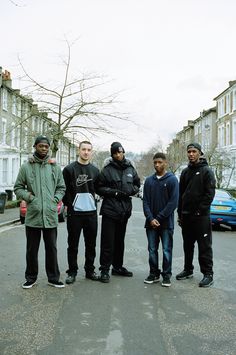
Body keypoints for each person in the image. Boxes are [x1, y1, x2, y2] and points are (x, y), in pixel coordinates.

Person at [14, 135, 66, 289]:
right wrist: (29, 197)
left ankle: (53, 278)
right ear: (35, 146)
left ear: (49, 148)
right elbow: (18, 187)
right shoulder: (26, 167)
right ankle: (31, 278)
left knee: (52, 248)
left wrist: (55, 199)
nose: (44, 148)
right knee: (31, 249)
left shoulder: (55, 167)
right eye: (41, 146)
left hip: (50, 214)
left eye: (46, 146)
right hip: (33, 215)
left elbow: (61, 187)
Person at [97, 142, 140, 283]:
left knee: (119, 241)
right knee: (107, 242)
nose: (118, 155)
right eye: (115, 153)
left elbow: (137, 184)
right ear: (112, 154)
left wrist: (132, 190)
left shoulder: (130, 168)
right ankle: (104, 269)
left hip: (124, 211)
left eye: (120, 152)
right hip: (110, 210)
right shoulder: (107, 170)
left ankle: (117, 267)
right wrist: (113, 192)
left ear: (123, 152)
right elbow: (99, 187)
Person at [176, 143, 216, 288]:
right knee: (188, 245)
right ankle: (188, 270)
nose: (191, 154)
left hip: (201, 217)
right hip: (186, 217)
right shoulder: (185, 172)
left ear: (200, 153)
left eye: (194, 151)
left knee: (204, 246)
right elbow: (181, 195)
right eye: (189, 152)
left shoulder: (207, 171)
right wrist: (179, 213)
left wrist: (199, 210)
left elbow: (209, 194)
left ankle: (208, 274)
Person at [63, 141, 100, 284]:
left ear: (91, 152)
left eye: (89, 150)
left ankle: (90, 270)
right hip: (74, 215)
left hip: (91, 214)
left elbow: (99, 189)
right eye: (83, 149)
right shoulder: (68, 169)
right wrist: (70, 204)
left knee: (91, 244)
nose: (86, 152)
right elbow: (63, 190)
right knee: (73, 245)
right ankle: (72, 272)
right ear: (79, 150)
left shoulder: (95, 171)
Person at [143, 152, 179, 287]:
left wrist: (158, 218)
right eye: (155, 162)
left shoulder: (172, 180)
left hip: (166, 223)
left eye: (159, 162)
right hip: (150, 223)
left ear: (165, 163)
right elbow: (145, 201)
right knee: (152, 249)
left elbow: (173, 203)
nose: (157, 165)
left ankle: (166, 275)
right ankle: (154, 273)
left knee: (166, 250)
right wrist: (151, 218)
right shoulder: (149, 181)